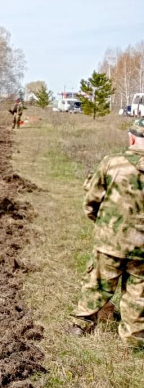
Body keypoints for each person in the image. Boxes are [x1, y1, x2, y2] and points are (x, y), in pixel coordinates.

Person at [68, 120, 144, 349]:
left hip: (111, 240)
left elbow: (91, 201)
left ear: (131, 138)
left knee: (98, 283)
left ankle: (80, 325)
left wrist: (103, 225)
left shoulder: (112, 163)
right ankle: (134, 339)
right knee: (138, 292)